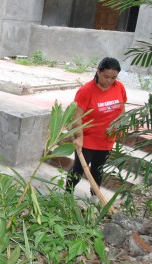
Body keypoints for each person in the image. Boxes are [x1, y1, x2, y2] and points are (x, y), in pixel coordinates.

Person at [65, 57, 127, 200]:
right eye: (106, 76)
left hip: (107, 139)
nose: (110, 81)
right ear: (98, 71)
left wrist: (122, 124)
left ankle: (94, 197)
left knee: (98, 170)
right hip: (87, 139)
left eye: (113, 77)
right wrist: (79, 137)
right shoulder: (86, 91)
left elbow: (122, 107)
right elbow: (76, 116)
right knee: (78, 170)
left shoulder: (119, 87)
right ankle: (67, 195)